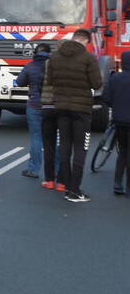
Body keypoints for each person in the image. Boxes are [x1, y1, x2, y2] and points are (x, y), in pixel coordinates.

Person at [45, 28, 103, 203]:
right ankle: (74, 190)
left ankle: (66, 186)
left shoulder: (54, 57)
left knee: (64, 146)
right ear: (86, 40)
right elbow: (97, 83)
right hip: (82, 110)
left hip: (61, 107)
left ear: (73, 38)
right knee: (80, 148)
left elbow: (49, 81)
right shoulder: (88, 57)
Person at [14, 43, 51, 179]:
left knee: (36, 138)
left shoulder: (30, 65)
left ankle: (33, 169)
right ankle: (57, 171)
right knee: (53, 139)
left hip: (34, 104)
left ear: (35, 53)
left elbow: (20, 82)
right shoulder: (54, 65)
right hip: (51, 105)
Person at [102, 51, 130, 196]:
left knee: (123, 152)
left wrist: (116, 106)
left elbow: (105, 98)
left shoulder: (115, 78)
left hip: (120, 120)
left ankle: (117, 184)